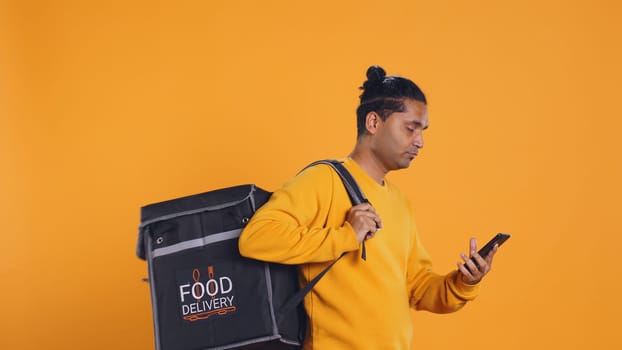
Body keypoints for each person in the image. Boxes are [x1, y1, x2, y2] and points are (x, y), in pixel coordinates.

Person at [238, 65, 499, 349]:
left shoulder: (400, 203)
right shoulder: (324, 179)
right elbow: (256, 238)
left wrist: (463, 283)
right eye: (410, 128)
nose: (420, 142)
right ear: (374, 123)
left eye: (422, 131)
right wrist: (346, 236)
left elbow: (418, 288)